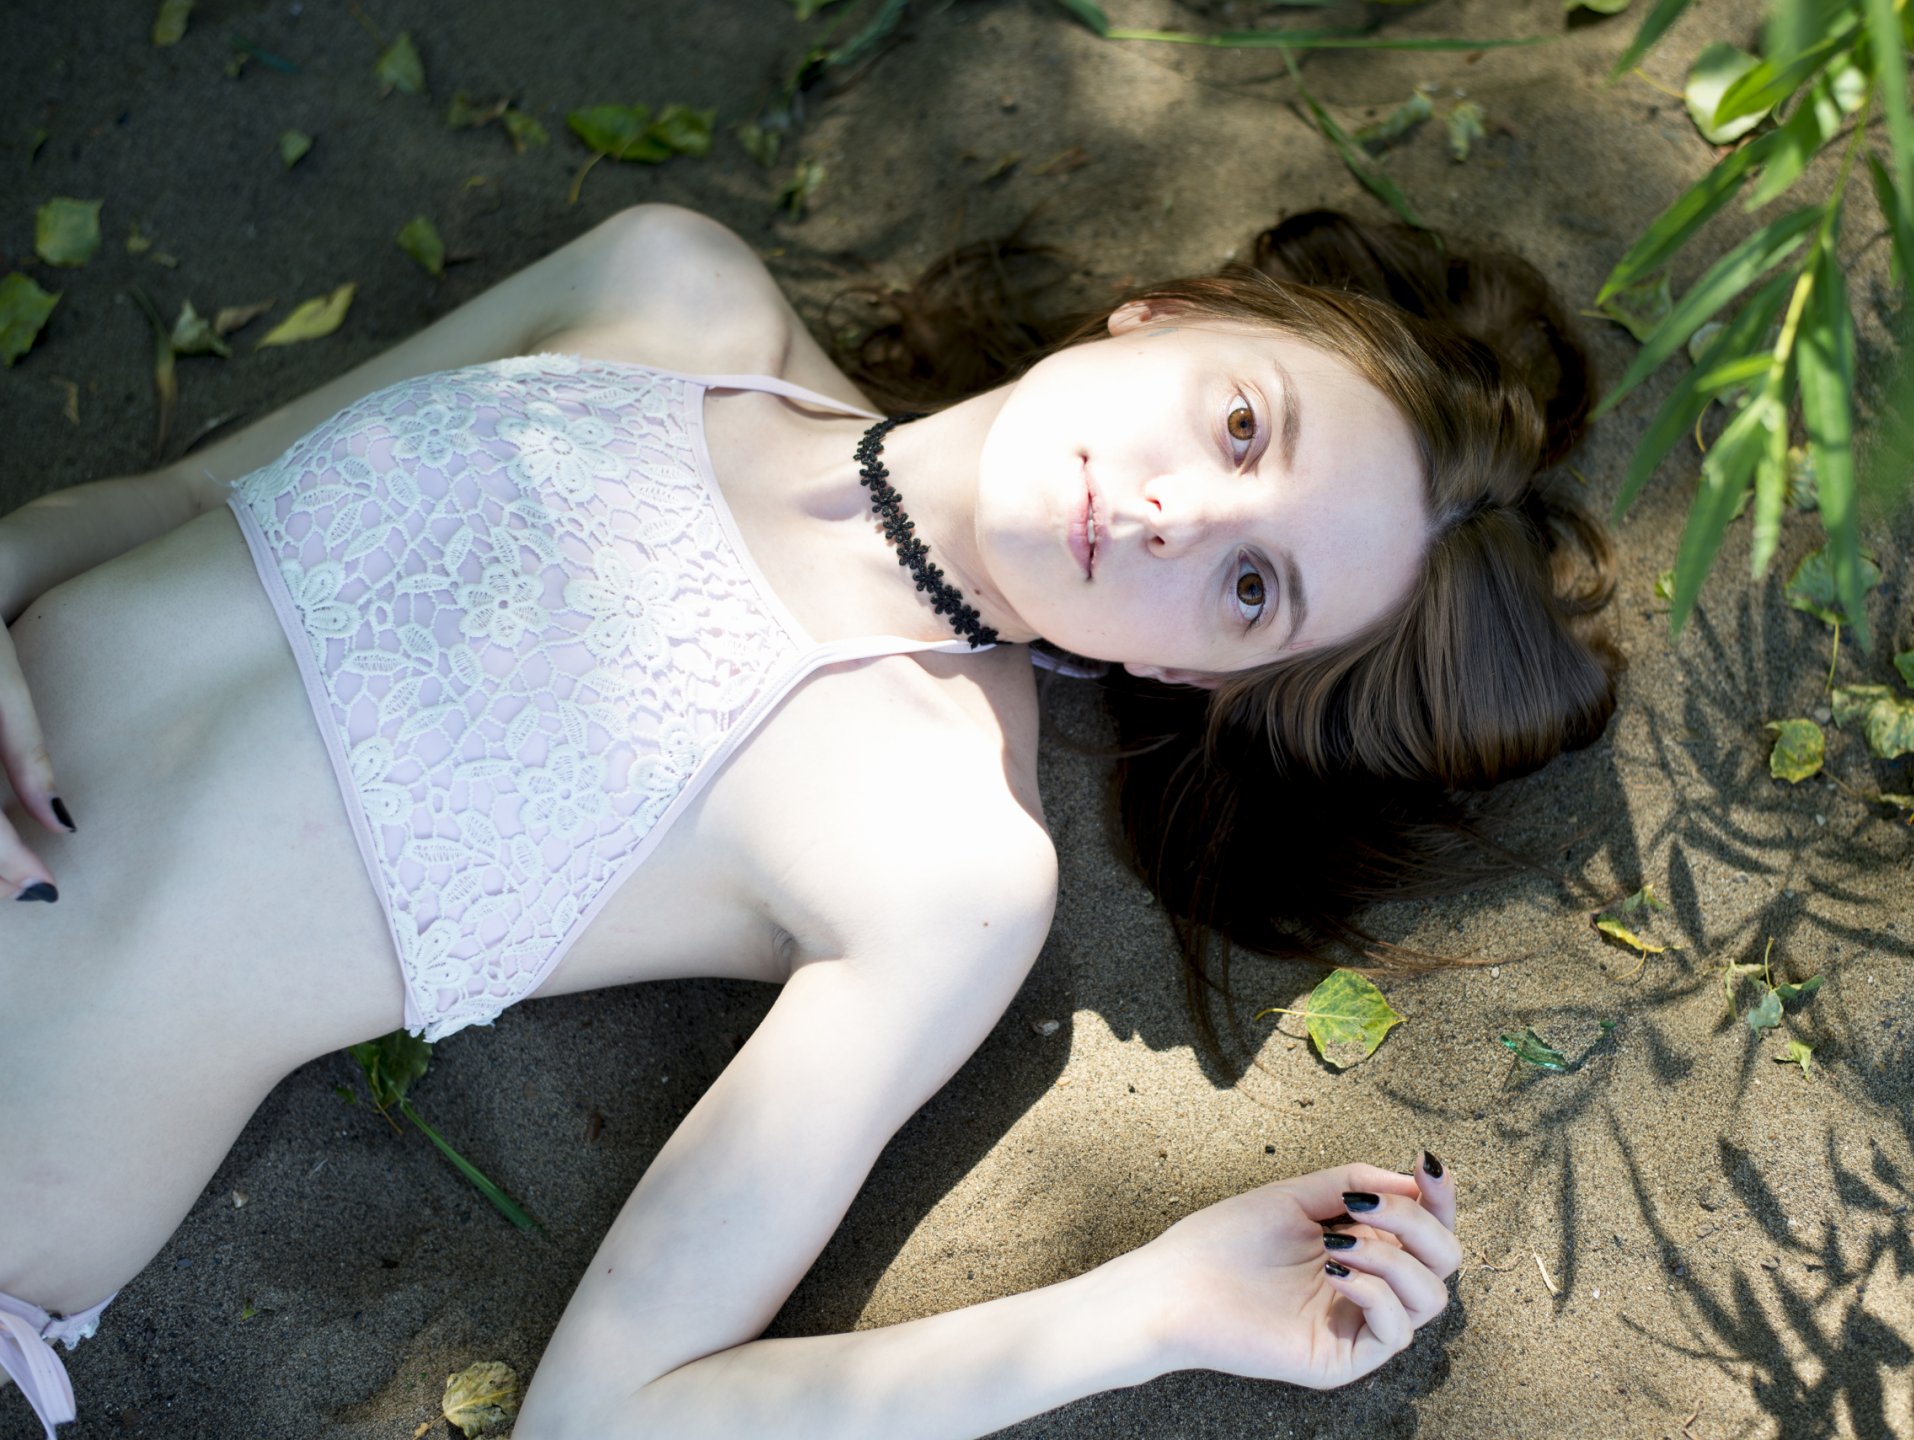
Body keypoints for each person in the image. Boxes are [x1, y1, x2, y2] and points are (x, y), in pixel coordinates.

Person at [0, 202, 1620, 1437]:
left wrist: (1149, 1311)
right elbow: (171, 507)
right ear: (1168, 314)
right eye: (1240, 424)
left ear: (1198, 677)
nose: (1167, 515)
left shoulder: (943, 855)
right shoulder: (669, 282)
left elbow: (604, 1415)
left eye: (1250, 587)